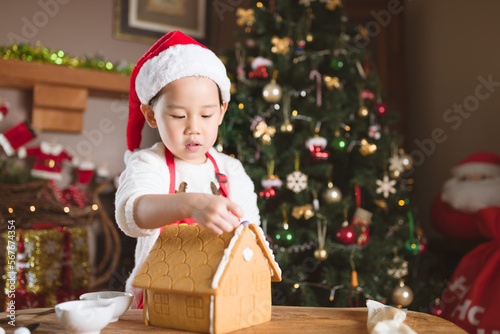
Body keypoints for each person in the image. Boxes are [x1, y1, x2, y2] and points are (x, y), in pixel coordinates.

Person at [115, 31, 260, 309]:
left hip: (221, 296)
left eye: (206, 115)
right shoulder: (148, 163)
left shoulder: (231, 170)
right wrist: (190, 203)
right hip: (158, 298)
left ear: (221, 111)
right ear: (151, 115)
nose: (194, 127)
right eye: (179, 115)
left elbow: (252, 233)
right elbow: (132, 213)